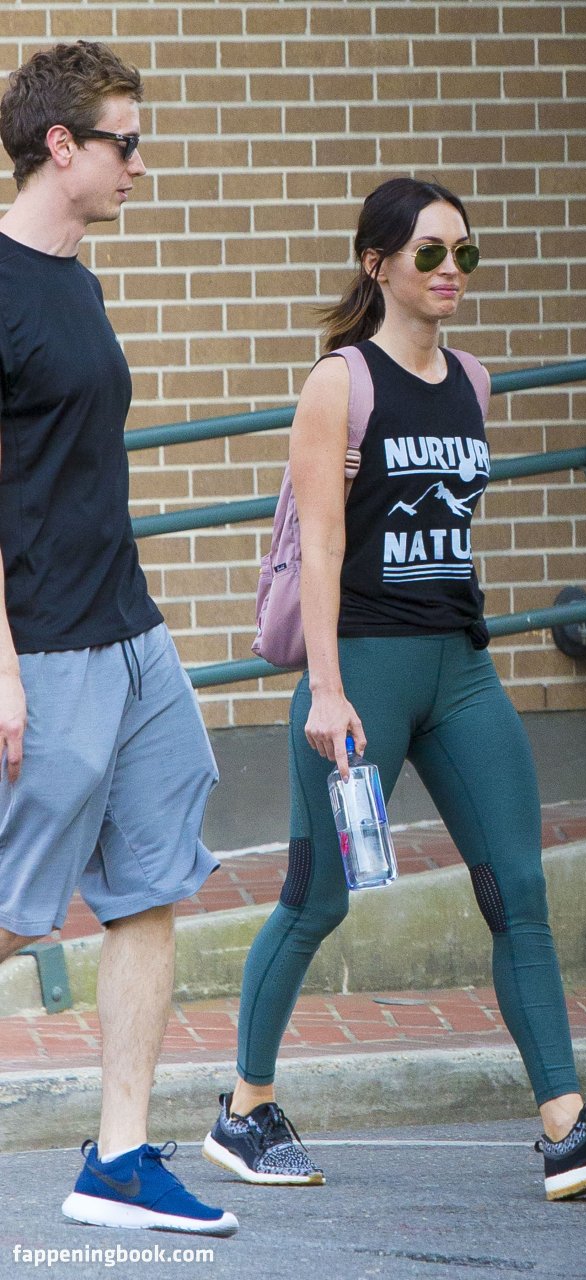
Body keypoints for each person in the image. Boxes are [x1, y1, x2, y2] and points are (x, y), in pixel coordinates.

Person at [202, 175, 586, 1201]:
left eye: (464, 251)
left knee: (519, 889)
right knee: (314, 899)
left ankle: (566, 1126)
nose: (451, 269)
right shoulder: (340, 383)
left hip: (459, 666)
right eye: (429, 252)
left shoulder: (473, 380)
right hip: (361, 669)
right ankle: (244, 1108)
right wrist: (326, 690)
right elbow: (322, 546)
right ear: (377, 265)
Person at [0, 41, 237, 1237]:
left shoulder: (77, 282)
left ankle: (122, 1157)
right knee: (17, 902)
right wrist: (0, 665)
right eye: (125, 144)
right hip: (44, 642)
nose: (140, 164)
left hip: (130, 629)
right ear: (62, 146)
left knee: (149, 882)